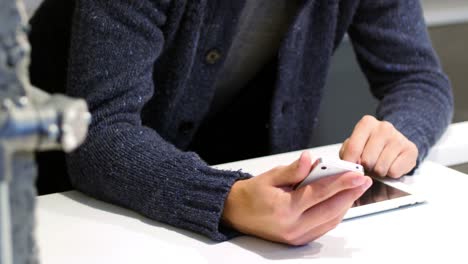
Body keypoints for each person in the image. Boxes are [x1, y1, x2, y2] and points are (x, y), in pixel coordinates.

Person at [29, 0, 453, 245]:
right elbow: (97, 129)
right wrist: (224, 199)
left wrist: (404, 132)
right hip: (54, 200)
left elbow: (419, 78)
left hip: (222, 209)